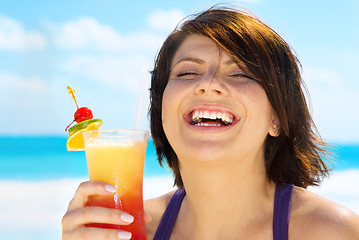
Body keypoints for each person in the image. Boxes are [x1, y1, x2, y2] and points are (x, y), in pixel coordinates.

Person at [62, 6, 359, 240]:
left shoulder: (331, 232)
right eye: (187, 73)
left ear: (277, 117)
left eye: (241, 73)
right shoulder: (124, 232)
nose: (208, 85)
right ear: (161, 109)